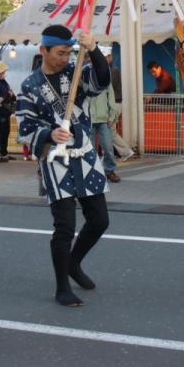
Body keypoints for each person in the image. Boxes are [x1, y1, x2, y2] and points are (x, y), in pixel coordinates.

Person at [17, 24, 111, 307]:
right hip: (55, 159)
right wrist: (48, 134)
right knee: (65, 227)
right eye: (60, 53)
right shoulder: (30, 86)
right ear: (43, 50)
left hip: (84, 155)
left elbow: (102, 81)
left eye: (69, 52)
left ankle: (73, 263)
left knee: (99, 220)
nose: (65, 58)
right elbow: (25, 127)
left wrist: (92, 50)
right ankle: (61, 287)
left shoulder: (76, 72)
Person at [87, 56, 122, 183]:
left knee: (108, 147)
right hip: (88, 119)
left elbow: (111, 98)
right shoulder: (85, 80)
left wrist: (112, 116)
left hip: (104, 119)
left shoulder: (105, 80)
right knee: (90, 149)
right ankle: (92, 172)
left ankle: (109, 171)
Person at [0, 60, 15, 162]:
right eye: (3, 71)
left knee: (5, 132)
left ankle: (3, 152)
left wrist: (11, 95)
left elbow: (8, 92)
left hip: (5, 110)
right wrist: (8, 94)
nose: (4, 73)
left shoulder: (2, 81)